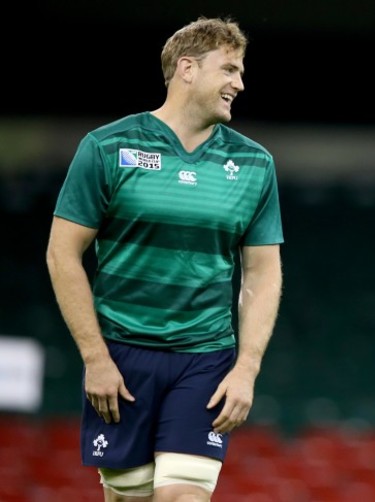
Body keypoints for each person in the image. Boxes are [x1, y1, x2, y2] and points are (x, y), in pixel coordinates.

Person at [45, 16, 284, 501]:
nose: (240, 83)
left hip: (205, 358)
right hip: (121, 355)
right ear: (188, 69)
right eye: (230, 70)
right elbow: (61, 254)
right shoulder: (107, 147)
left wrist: (247, 368)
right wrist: (95, 357)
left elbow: (263, 272)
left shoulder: (255, 163)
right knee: (129, 495)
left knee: (183, 495)